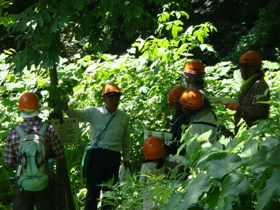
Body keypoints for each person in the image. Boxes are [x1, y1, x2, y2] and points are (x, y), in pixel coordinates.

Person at [63, 83, 130, 210]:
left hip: (114, 157)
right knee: (93, 190)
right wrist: (66, 108)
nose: (114, 100)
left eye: (117, 97)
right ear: (104, 99)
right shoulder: (94, 112)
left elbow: (126, 141)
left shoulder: (124, 117)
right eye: (111, 97)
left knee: (110, 191)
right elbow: (76, 115)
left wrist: (126, 159)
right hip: (97, 156)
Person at [2, 92, 65, 210]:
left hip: (22, 182)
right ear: (38, 108)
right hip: (45, 181)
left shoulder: (14, 132)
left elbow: (8, 161)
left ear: (20, 110)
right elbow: (60, 154)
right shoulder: (48, 129)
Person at [225, 50, 270, 133]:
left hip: (254, 133)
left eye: (242, 68)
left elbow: (258, 112)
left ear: (250, 68)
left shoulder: (259, 85)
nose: (241, 71)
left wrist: (236, 108)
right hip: (245, 133)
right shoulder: (249, 84)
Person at [179, 87, 218, 165]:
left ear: (188, 108)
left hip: (204, 166)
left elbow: (192, 156)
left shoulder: (194, 128)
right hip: (218, 158)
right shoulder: (212, 114)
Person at [139, 136, 165, 210]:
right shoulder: (163, 166)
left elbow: (141, 183)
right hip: (160, 198)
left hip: (147, 199)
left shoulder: (145, 166)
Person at [165, 85, 188, 155]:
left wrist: (164, 143)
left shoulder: (185, 118)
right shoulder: (178, 115)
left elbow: (180, 142)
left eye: (174, 105)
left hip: (181, 154)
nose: (173, 107)